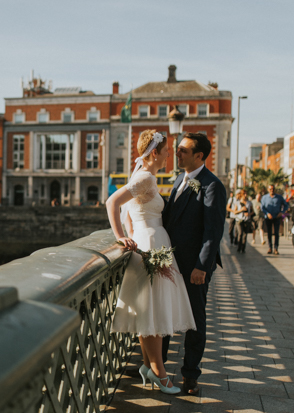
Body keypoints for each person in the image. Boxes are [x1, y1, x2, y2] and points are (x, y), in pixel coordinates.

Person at [106, 130, 196, 395]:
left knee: (150, 310)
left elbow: (131, 212)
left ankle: (148, 367)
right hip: (149, 243)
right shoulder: (144, 177)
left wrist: (130, 234)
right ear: (154, 153)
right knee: (153, 311)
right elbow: (112, 202)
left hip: (151, 240)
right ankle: (160, 373)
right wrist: (121, 237)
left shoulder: (145, 177)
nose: (170, 154)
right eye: (167, 150)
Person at [161, 132, 226, 396]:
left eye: (183, 150)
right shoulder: (179, 179)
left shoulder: (212, 186)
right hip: (171, 261)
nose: (178, 153)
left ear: (199, 156)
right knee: (164, 313)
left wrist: (201, 266)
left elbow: (213, 232)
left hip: (194, 267)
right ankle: (158, 367)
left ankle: (190, 375)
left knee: (195, 321)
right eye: (178, 149)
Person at [261, 184, 289, 255]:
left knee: (276, 233)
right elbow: (262, 207)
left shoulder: (279, 197)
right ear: (268, 189)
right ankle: (270, 247)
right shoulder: (264, 197)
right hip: (268, 217)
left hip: (277, 217)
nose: (272, 190)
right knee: (269, 233)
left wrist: (282, 212)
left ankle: (276, 248)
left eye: (273, 189)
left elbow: (286, 205)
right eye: (270, 189)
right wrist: (267, 213)